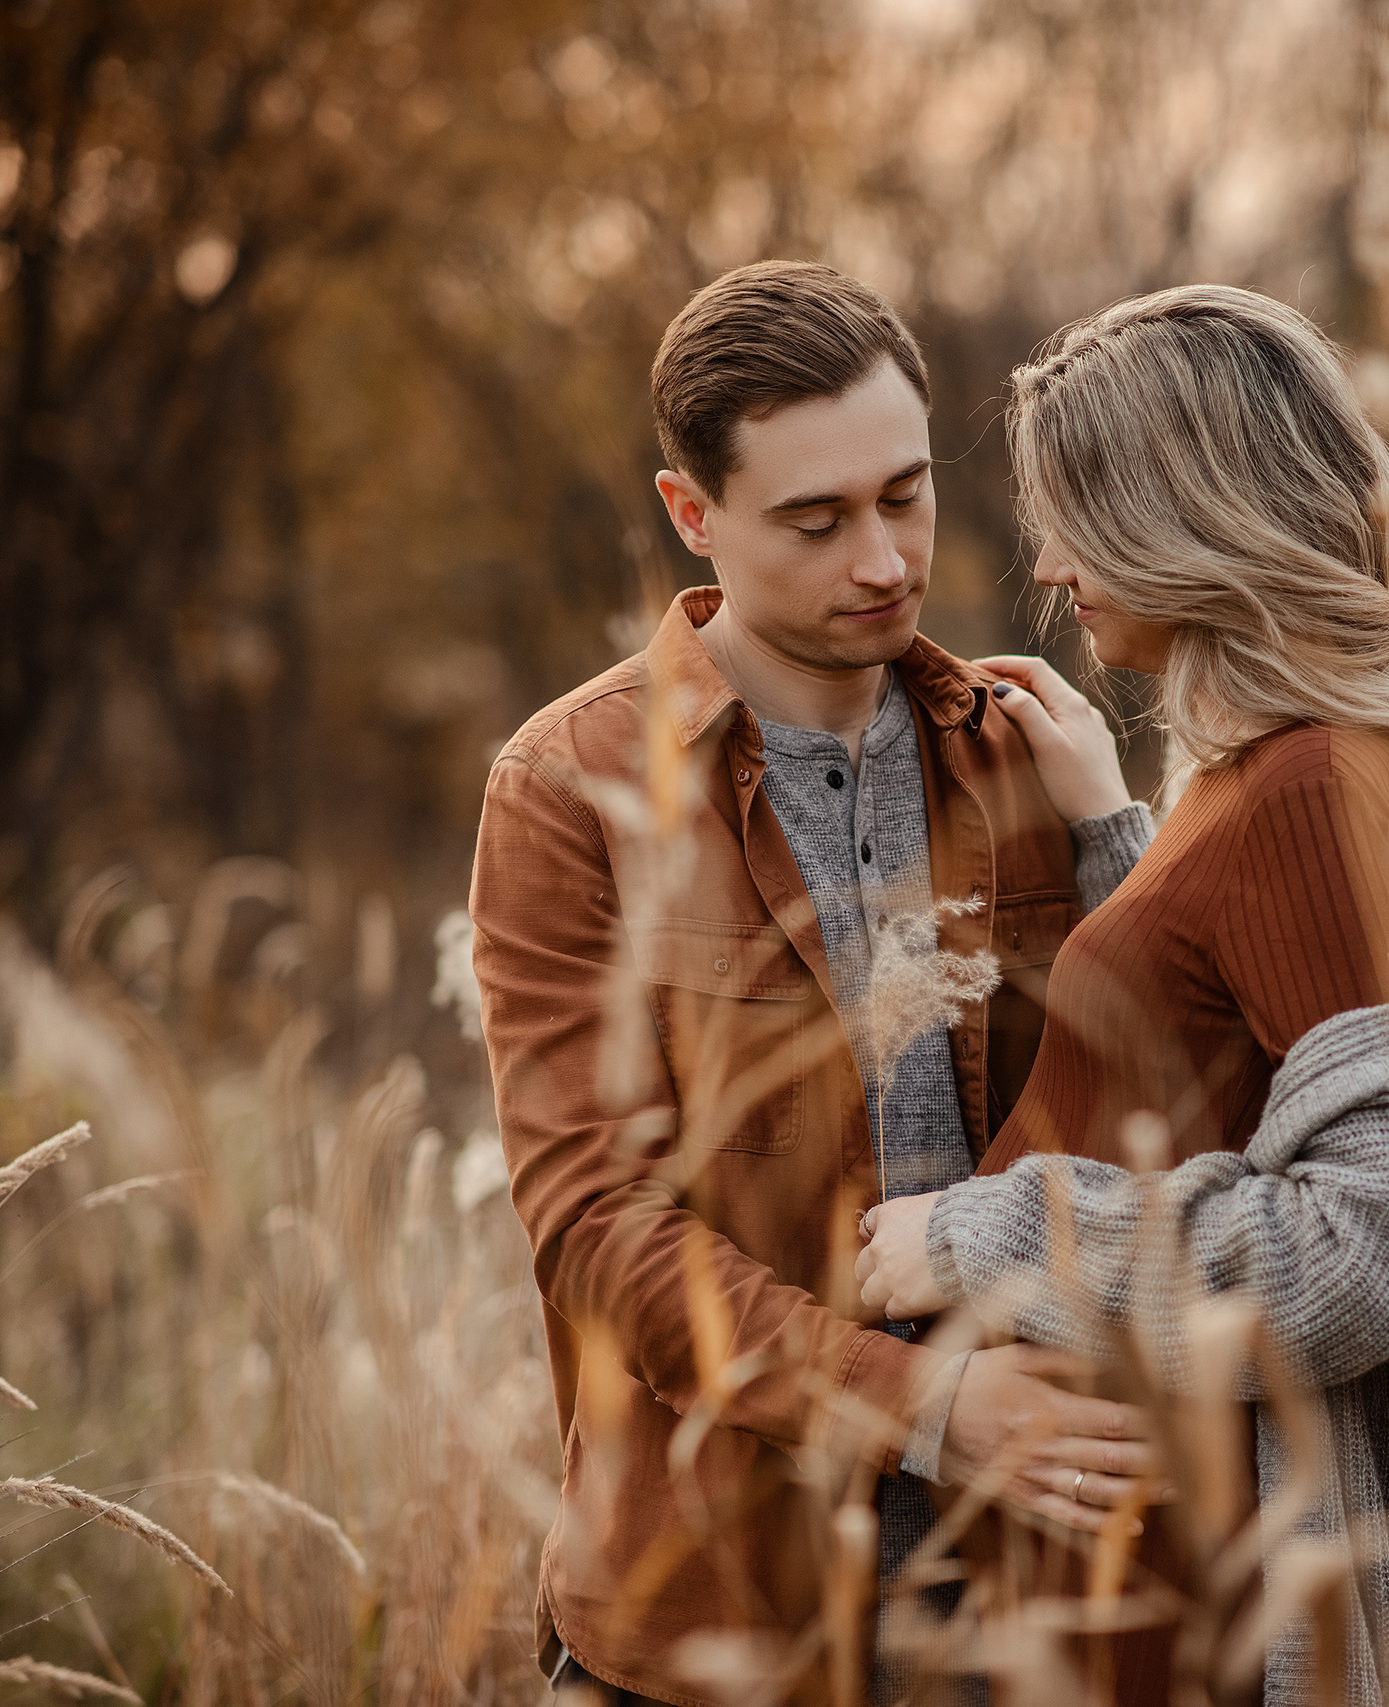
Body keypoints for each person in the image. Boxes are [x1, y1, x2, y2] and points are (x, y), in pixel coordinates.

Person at [470, 261, 1165, 1707]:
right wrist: (921, 1408)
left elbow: (1166, 1123)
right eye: (816, 519)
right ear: (693, 516)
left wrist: (1115, 838)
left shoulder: (1023, 751)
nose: (885, 563)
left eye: (906, 495)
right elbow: (596, 1228)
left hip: (1020, 1603)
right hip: (712, 1609)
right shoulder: (568, 790)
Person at [854, 285, 1389, 1707]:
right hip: (1115, 1538)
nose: (1047, 560)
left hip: (1191, 1581)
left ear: (1186, 512)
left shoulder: (1315, 785)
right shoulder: (1262, 771)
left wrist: (980, 1237)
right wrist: (1118, 842)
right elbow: (1202, 1063)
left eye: (1078, 515)